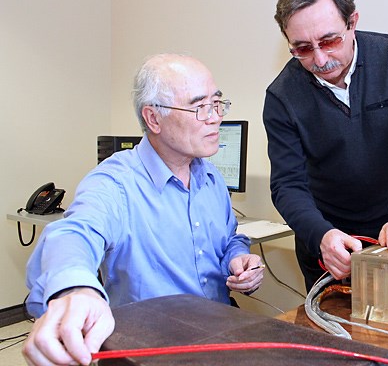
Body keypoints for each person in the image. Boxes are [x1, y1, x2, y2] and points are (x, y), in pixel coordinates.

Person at [22, 53, 264, 366]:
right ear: (153, 118)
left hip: (220, 328)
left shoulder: (211, 176)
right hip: (151, 347)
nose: (215, 117)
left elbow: (229, 238)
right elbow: (74, 233)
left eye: (217, 103)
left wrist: (238, 258)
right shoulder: (115, 182)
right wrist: (75, 288)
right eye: (200, 106)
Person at [263, 0, 388, 291]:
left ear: (353, 22)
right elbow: (287, 185)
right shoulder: (281, 97)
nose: (320, 59)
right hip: (326, 246)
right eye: (303, 48)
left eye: (330, 40)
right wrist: (321, 236)